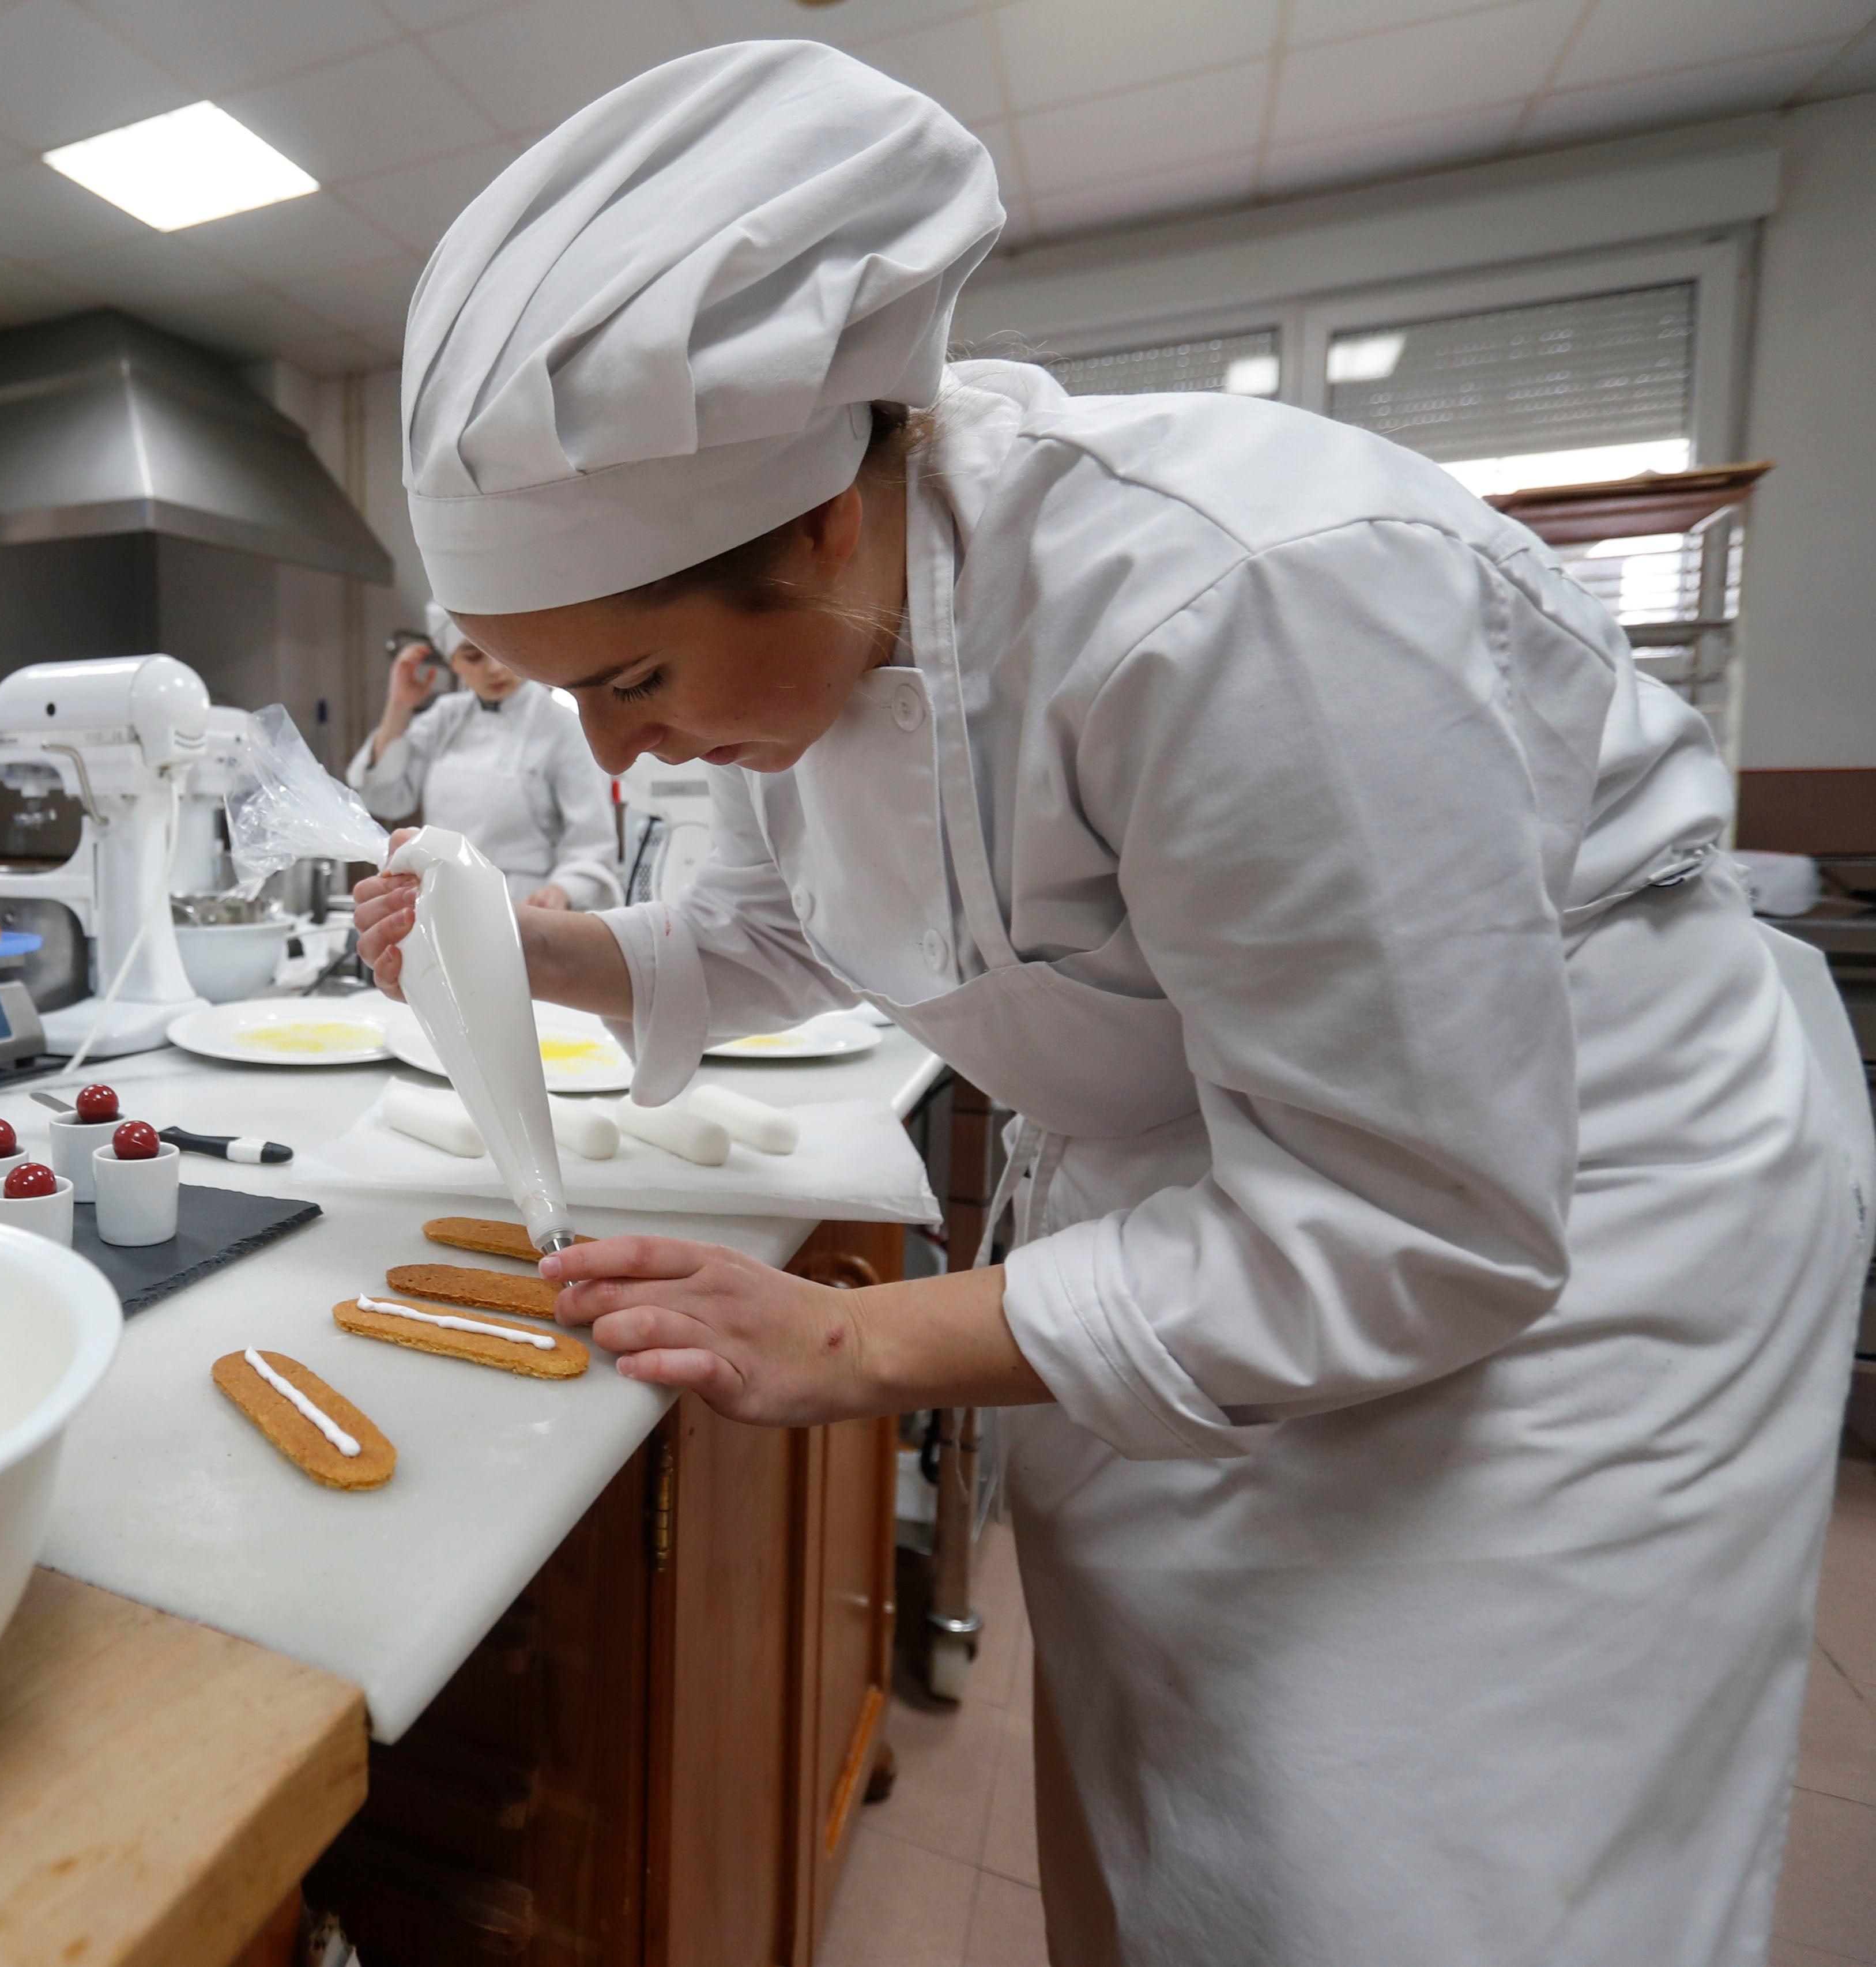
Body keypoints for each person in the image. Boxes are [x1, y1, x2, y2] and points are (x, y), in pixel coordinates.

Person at [354, 42, 1870, 1967]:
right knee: (1186, 1822)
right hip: (1196, 1195)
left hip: (1568, 1210)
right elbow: (803, 932)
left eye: (634, 674)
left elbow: (1418, 1220)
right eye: (557, 688)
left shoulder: (1237, 599)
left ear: (823, 518)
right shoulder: (817, 646)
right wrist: (528, 947)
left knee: (1437, 1876)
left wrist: (860, 1342)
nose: (612, 747)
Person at [349, 601, 619, 911]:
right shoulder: (445, 719)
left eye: (503, 650)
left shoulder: (563, 726)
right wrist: (399, 707)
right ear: (452, 662)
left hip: (526, 909)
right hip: (444, 903)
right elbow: (383, 799)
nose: (494, 668)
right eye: (473, 656)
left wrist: (563, 889)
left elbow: (592, 842)